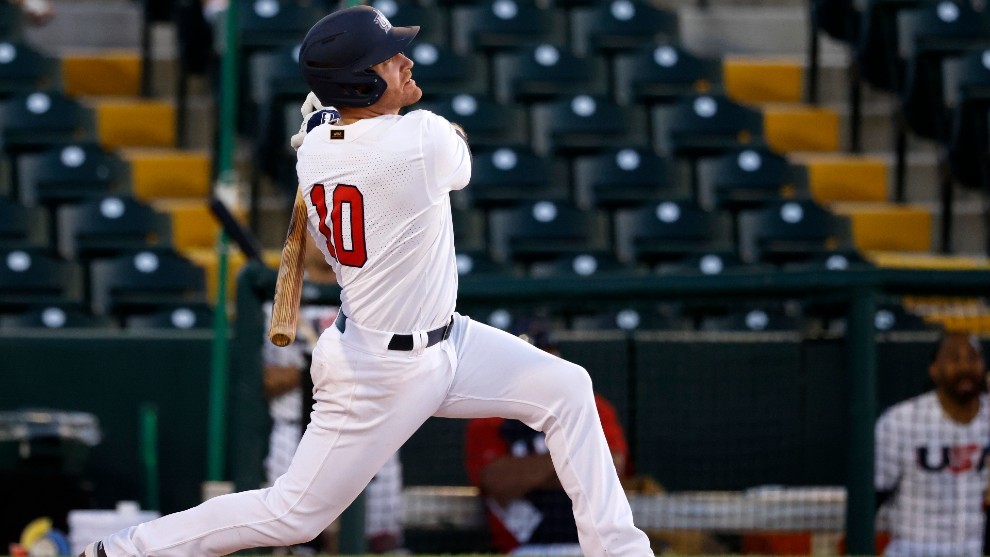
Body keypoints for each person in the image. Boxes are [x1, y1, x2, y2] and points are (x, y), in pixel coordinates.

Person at [79, 6, 652, 556]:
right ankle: (127, 551)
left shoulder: (317, 150)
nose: (406, 62)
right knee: (293, 515)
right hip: (376, 371)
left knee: (566, 388)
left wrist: (326, 120)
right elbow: (451, 145)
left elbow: (342, 128)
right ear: (359, 84)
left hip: (448, 340)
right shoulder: (417, 140)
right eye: (388, 59)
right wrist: (336, 120)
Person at [261, 235, 404, 554]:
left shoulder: (374, 293)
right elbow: (264, 380)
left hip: (371, 430)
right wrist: (313, 367)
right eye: (316, 232)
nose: (325, 240)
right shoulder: (280, 299)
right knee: (295, 543)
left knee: (378, 542)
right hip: (296, 434)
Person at [465, 328, 630, 555]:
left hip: (592, 542)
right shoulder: (489, 414)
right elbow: (499, 482)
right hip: (522, 547)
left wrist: (531, 472)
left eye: (548, 356)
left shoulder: (590, 404)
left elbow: (609, 469)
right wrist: (573, 457)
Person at [875, 331, 989, 557]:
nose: (965, 366)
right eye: (954, 358)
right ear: (934, 369)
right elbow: (873, 496)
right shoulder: (901, 420)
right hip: (914, 549)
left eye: (972, 358)